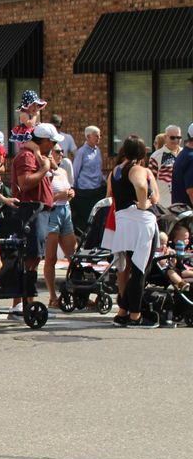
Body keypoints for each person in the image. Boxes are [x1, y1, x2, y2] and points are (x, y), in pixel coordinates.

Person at [105, 137, 159, 328]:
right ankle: (135, 315)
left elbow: (109, 193)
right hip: (141, 221)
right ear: (142, 152)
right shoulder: (138, 169)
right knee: (140, 270)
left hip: (123, 221)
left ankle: (122, 311)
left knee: (132, 267)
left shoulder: (115, 170)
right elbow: (143, 186)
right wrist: (145, 203)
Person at [11, 122, 59, 316]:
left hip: (40, 211)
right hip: (32, 211)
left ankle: (22, 302)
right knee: (31, 257)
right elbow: (24, 183)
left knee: (34, 256)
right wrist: (44, 167)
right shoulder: (26, 156)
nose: (55, 146)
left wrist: (44, 160)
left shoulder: (37, 155)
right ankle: (26, 302)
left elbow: (54, 166)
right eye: (53, 142)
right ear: (45, 141)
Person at [44, 146, 78, 307]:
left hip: (65, 210)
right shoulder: (45, 173)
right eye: (57, 152)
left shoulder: (63, 171)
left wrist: (70, 193)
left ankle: (79, 292)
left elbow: (68, 189)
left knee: (73, 256)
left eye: (61, 151)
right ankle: (52, 296)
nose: (61, 154)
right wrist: (61, 195)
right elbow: (46, 198)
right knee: (51, 258)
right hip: (52, 213)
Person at [71, 126, 105, 234]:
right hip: (85, 190)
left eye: (99, 135)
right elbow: (75, 171)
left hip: (97, 188)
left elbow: (99, 169)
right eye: (96, 136)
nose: (99, 138)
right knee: (86, 217)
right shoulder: (81, 152)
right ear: (88, 137)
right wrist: (74, 188)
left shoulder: (98, 151)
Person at [148, 125, 183, 208]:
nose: (176, 140)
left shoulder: (185, 154)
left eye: (179, 137)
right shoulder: (156, 156)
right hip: (164, 206)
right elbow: (150, 182)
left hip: (184, 206)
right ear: (165, 137)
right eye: (172, 138)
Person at [9, 90, 46, 155]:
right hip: (24, 140)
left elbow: (35, 124)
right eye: (33, 105)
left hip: (31, 137)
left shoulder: (31, 114)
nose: (35, 107)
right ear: (27, 105)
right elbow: (29, 125)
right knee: (36, 148)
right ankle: (40, 161)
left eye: (36, 105)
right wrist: (35, 116)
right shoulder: (24, 114)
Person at [171, 122, 193, 208]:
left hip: (181, 214)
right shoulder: (191, 158)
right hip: (188, 215)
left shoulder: (184, 154)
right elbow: (191, 191)